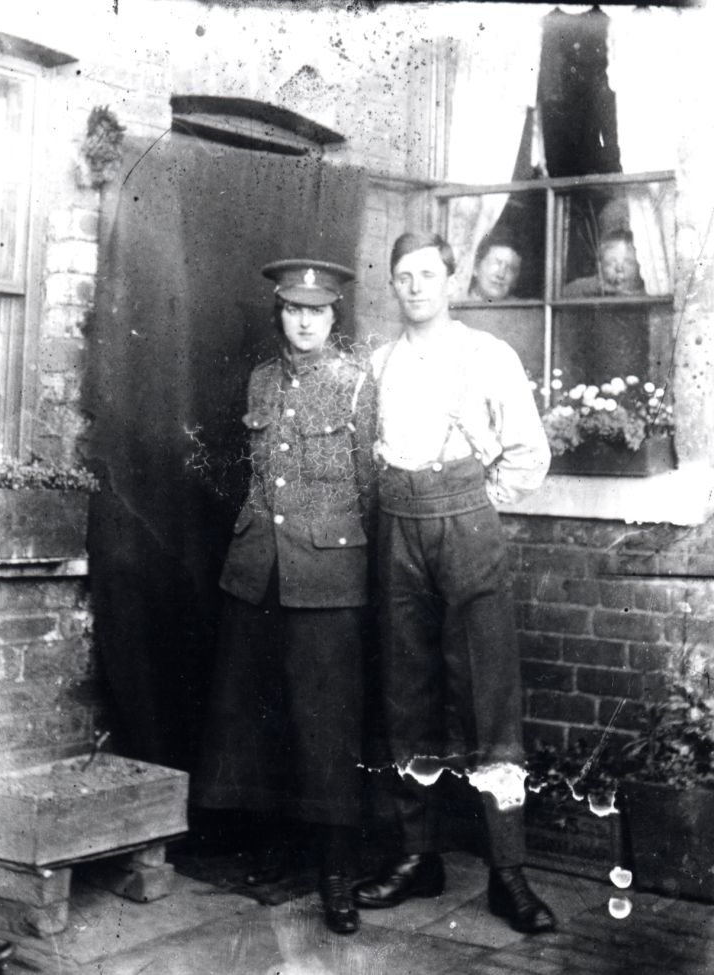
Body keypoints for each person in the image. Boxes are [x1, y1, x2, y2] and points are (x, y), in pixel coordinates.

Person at [353, 231, 556, 935]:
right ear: (394, 285)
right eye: (402, 275)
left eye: (427, 274)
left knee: (487, 695)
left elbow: (530, 450)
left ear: (450, 280)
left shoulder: (486, 355)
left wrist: (477, 503)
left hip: (467, 524)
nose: (414, 286)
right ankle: (418, 855)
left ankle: (508, 871)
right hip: (398, 528)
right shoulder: (379, 363)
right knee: (405, 693)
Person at [193, 259, 375, 936]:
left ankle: (335, 874)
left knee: (326, 725)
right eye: (293, 310)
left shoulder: (357, 386)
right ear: (280, 314)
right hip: (256, 572)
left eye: (317, 310)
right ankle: (273, 852)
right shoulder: (262, 380)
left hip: (327, 579)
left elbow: (369, 487)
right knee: (256, 715)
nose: (304, 320)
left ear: (334, 317)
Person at [563, 230, 645, 297]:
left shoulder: (652, 292)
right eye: (610, 262)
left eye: (629, 262)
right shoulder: (579, 290)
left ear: (640, 266)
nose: (619, 268)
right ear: (599, 264)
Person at [468, 232, 523, 301]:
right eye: (496, 264)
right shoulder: (456, 305)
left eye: (510, 268)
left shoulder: (521, 310)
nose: (501, 274)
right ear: (476, 267)